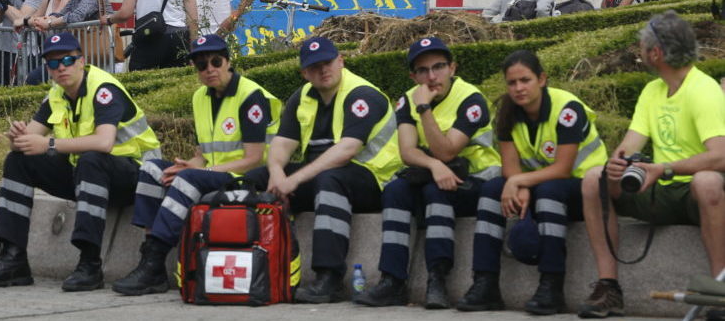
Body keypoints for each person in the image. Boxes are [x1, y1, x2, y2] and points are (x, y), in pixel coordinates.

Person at [0, 32, 161, 291]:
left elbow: (104, 142)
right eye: (53, 63)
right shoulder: (57, 94)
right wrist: (17, 139)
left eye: (68, 60)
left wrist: (48, 144)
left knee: (91, 159)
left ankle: (90, 265)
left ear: (81, 61)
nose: (61, 67)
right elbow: (31, 139)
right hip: (88, 176)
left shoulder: (103, 89)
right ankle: (12, 259)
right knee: (18, 160)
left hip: (135, 177)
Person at [577, 11, 725, 319]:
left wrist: (665, 169)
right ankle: (609, 288)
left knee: (707, 180)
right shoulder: (651, 91)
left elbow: (720, 155)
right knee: (595, 178)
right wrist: (617, 165)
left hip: (693, 194)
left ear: (655, 53)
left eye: (643, 47)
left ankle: (719, 292)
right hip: (658, 189)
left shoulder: (704, 89)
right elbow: (629, 145)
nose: (640, 53)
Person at [112, 34, 280, 295]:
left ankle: (155, 260)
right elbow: (204, 152)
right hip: (215, 174)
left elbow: (254, 158)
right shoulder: (201, 97)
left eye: (215, 61)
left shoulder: (250, 97)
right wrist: (189, 163)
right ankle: (149, 259)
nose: (210, 69)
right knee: (153, 168)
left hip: (250, 177)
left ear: (228, 61)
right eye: (202, 65)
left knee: (188, 179)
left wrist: (199, 171)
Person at [243, 36, 402, 303]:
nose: (323, 70)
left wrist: (294, 181)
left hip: (374, 179)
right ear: (305, 73)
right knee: (254, 179)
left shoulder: (362, 95)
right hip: (324, 176)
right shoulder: (301, 98)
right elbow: (281, 144)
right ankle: (255, 266)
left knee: (330, 179)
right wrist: (277, 174)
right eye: (314, 67)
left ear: (341, 61)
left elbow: (346, 151)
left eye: (328, 62)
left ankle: (330, 278)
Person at [455, 50, 607, 315]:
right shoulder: (507, 113)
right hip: (543, 183)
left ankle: (552, 286)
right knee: (492, 190)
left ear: (542, 79)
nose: (518, 88)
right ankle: (485, 282)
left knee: (547, 191)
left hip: (584, 187)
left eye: (525, 80)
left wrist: (521, 182)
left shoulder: (567, 109)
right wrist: (519, 185)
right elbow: (510, 166)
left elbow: (562, 168)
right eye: (512, 83)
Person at [357, 37, 501, 309]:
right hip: (434, 175)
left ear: (452, 68)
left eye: (438, 67)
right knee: (395, 190)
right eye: (423, 71)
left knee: (438, 191)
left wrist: (424, 109)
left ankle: (437, 279)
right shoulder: (407, 101)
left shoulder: (471, 100)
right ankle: (392, 280)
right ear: (413, 76)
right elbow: (407, 151)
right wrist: (434, 165)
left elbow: (447, 151)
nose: (432, 76)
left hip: (478, 181)